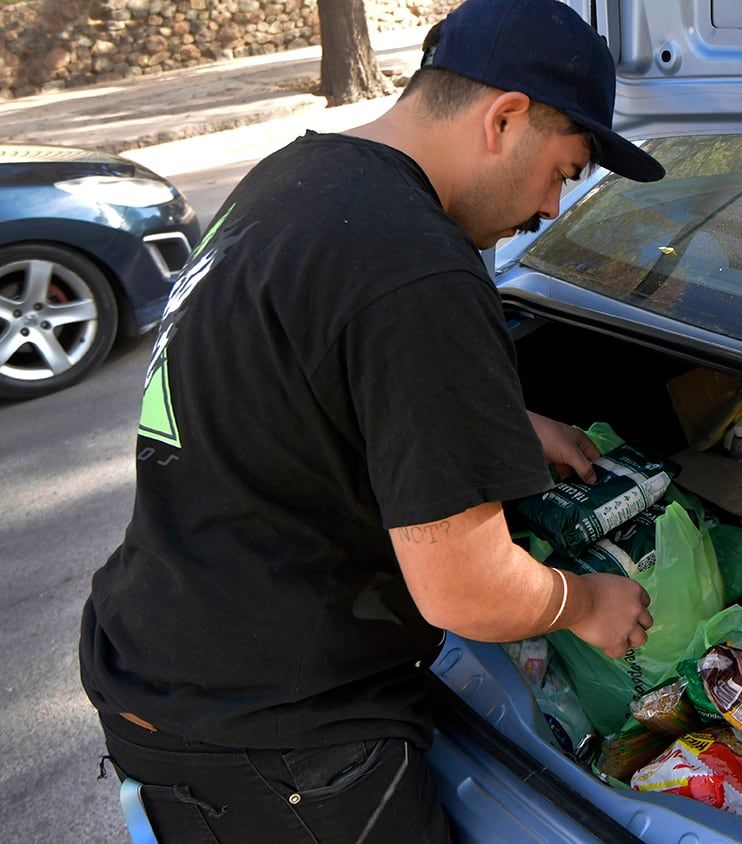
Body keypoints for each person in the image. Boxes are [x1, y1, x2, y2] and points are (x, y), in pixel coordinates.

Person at [78, 0, 665, 840]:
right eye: (565, 171)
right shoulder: (419, 265)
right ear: (504, 119)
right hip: (277, 739)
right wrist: (584, 603)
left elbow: (301, 371)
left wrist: (496, 420)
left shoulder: (297, 179)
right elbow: (467, 589)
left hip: (164, 644)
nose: (550, 210)